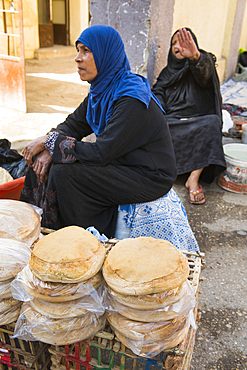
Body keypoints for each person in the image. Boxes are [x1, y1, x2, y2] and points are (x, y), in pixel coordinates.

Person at [20, 25, 177, 238]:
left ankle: (86, 238)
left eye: (86, 51)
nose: (78, 58)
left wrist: (51, 144)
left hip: (148, 174)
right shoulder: (101, 90)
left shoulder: (131, 99)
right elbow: (73, 125)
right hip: (120, 161)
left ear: (105, 54)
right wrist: (48, 144)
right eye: (78, 50)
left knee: (64, 172)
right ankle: (37, 230)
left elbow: (102, 153)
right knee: (45, 160)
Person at [152, 28, 226, 204]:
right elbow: (157, 96)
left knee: (212, 123)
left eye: (184, 42)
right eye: (174, 43)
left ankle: (193, 177)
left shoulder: (201, 62)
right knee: (157, 128)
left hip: (198, 121)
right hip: (175, 123)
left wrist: (195, 57)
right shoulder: (166, 73)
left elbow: (205, 74)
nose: (179, 47)